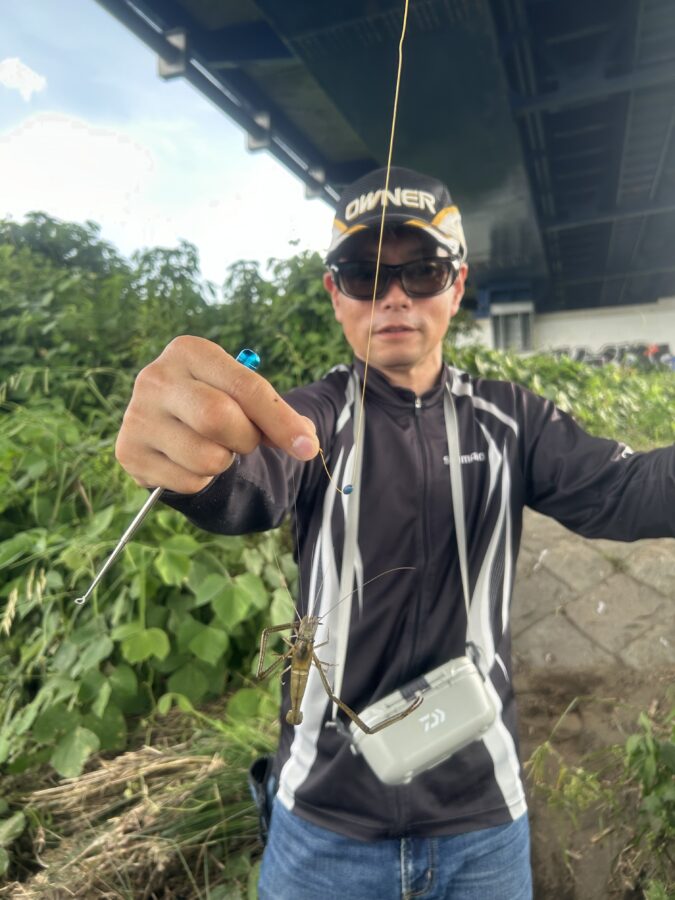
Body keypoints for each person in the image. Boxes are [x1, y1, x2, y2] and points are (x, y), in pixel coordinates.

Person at [115, 167, 675, 899]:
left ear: (457, 283)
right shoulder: (309, 418)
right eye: (363, 272)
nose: (394, 295)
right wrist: (191, 462)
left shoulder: (513, 420)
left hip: (481, 823)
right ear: (333, 291)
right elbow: (249, 488)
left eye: (423, 269)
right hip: (321, 826)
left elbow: (627, 490)